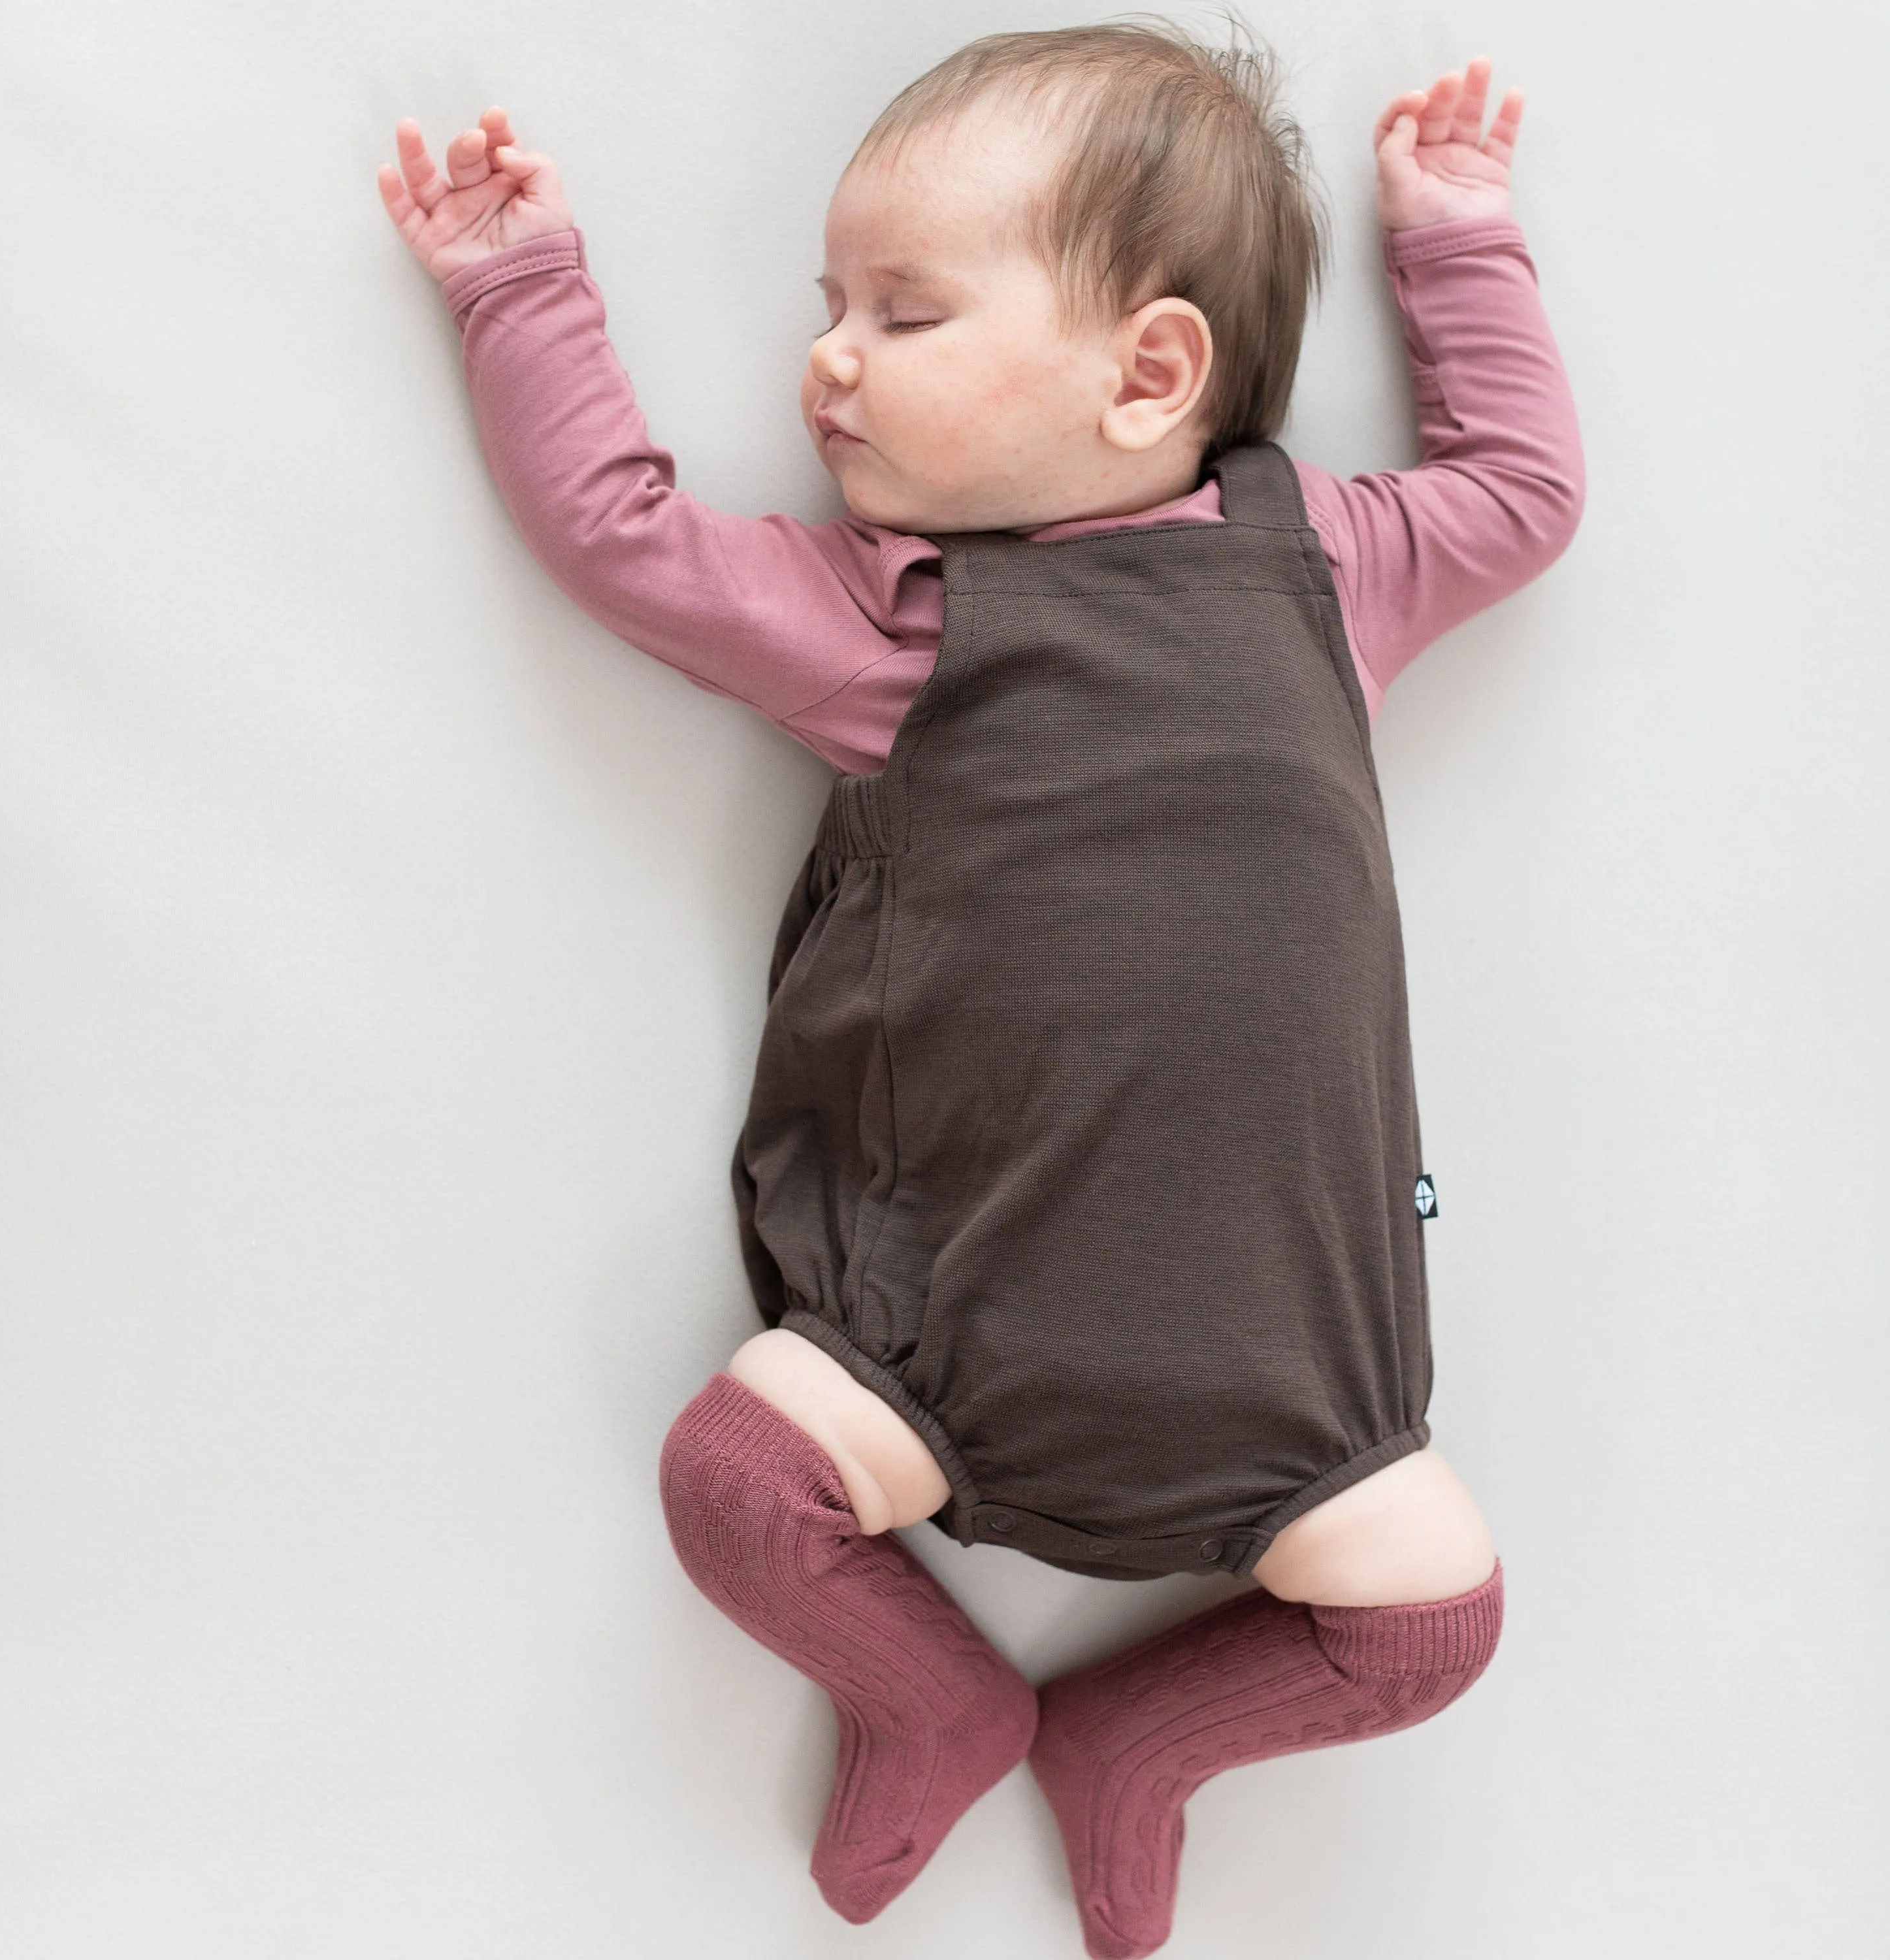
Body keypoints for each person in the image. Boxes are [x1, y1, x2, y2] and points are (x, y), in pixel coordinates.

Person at [379, 22, 1583, 1957]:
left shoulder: (1326, 568)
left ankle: (1137, 1737)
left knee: (1433, 1624)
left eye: (907, 312)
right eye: (829, 304)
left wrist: (1454, 243)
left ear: (1153, 371)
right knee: (736, 1485)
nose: (828, 358)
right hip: (945, 1360)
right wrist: (523, 288)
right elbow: (626, 538)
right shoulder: (900, 619)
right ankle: (937, 1695)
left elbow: (1519, 490)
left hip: (1298, 1390)